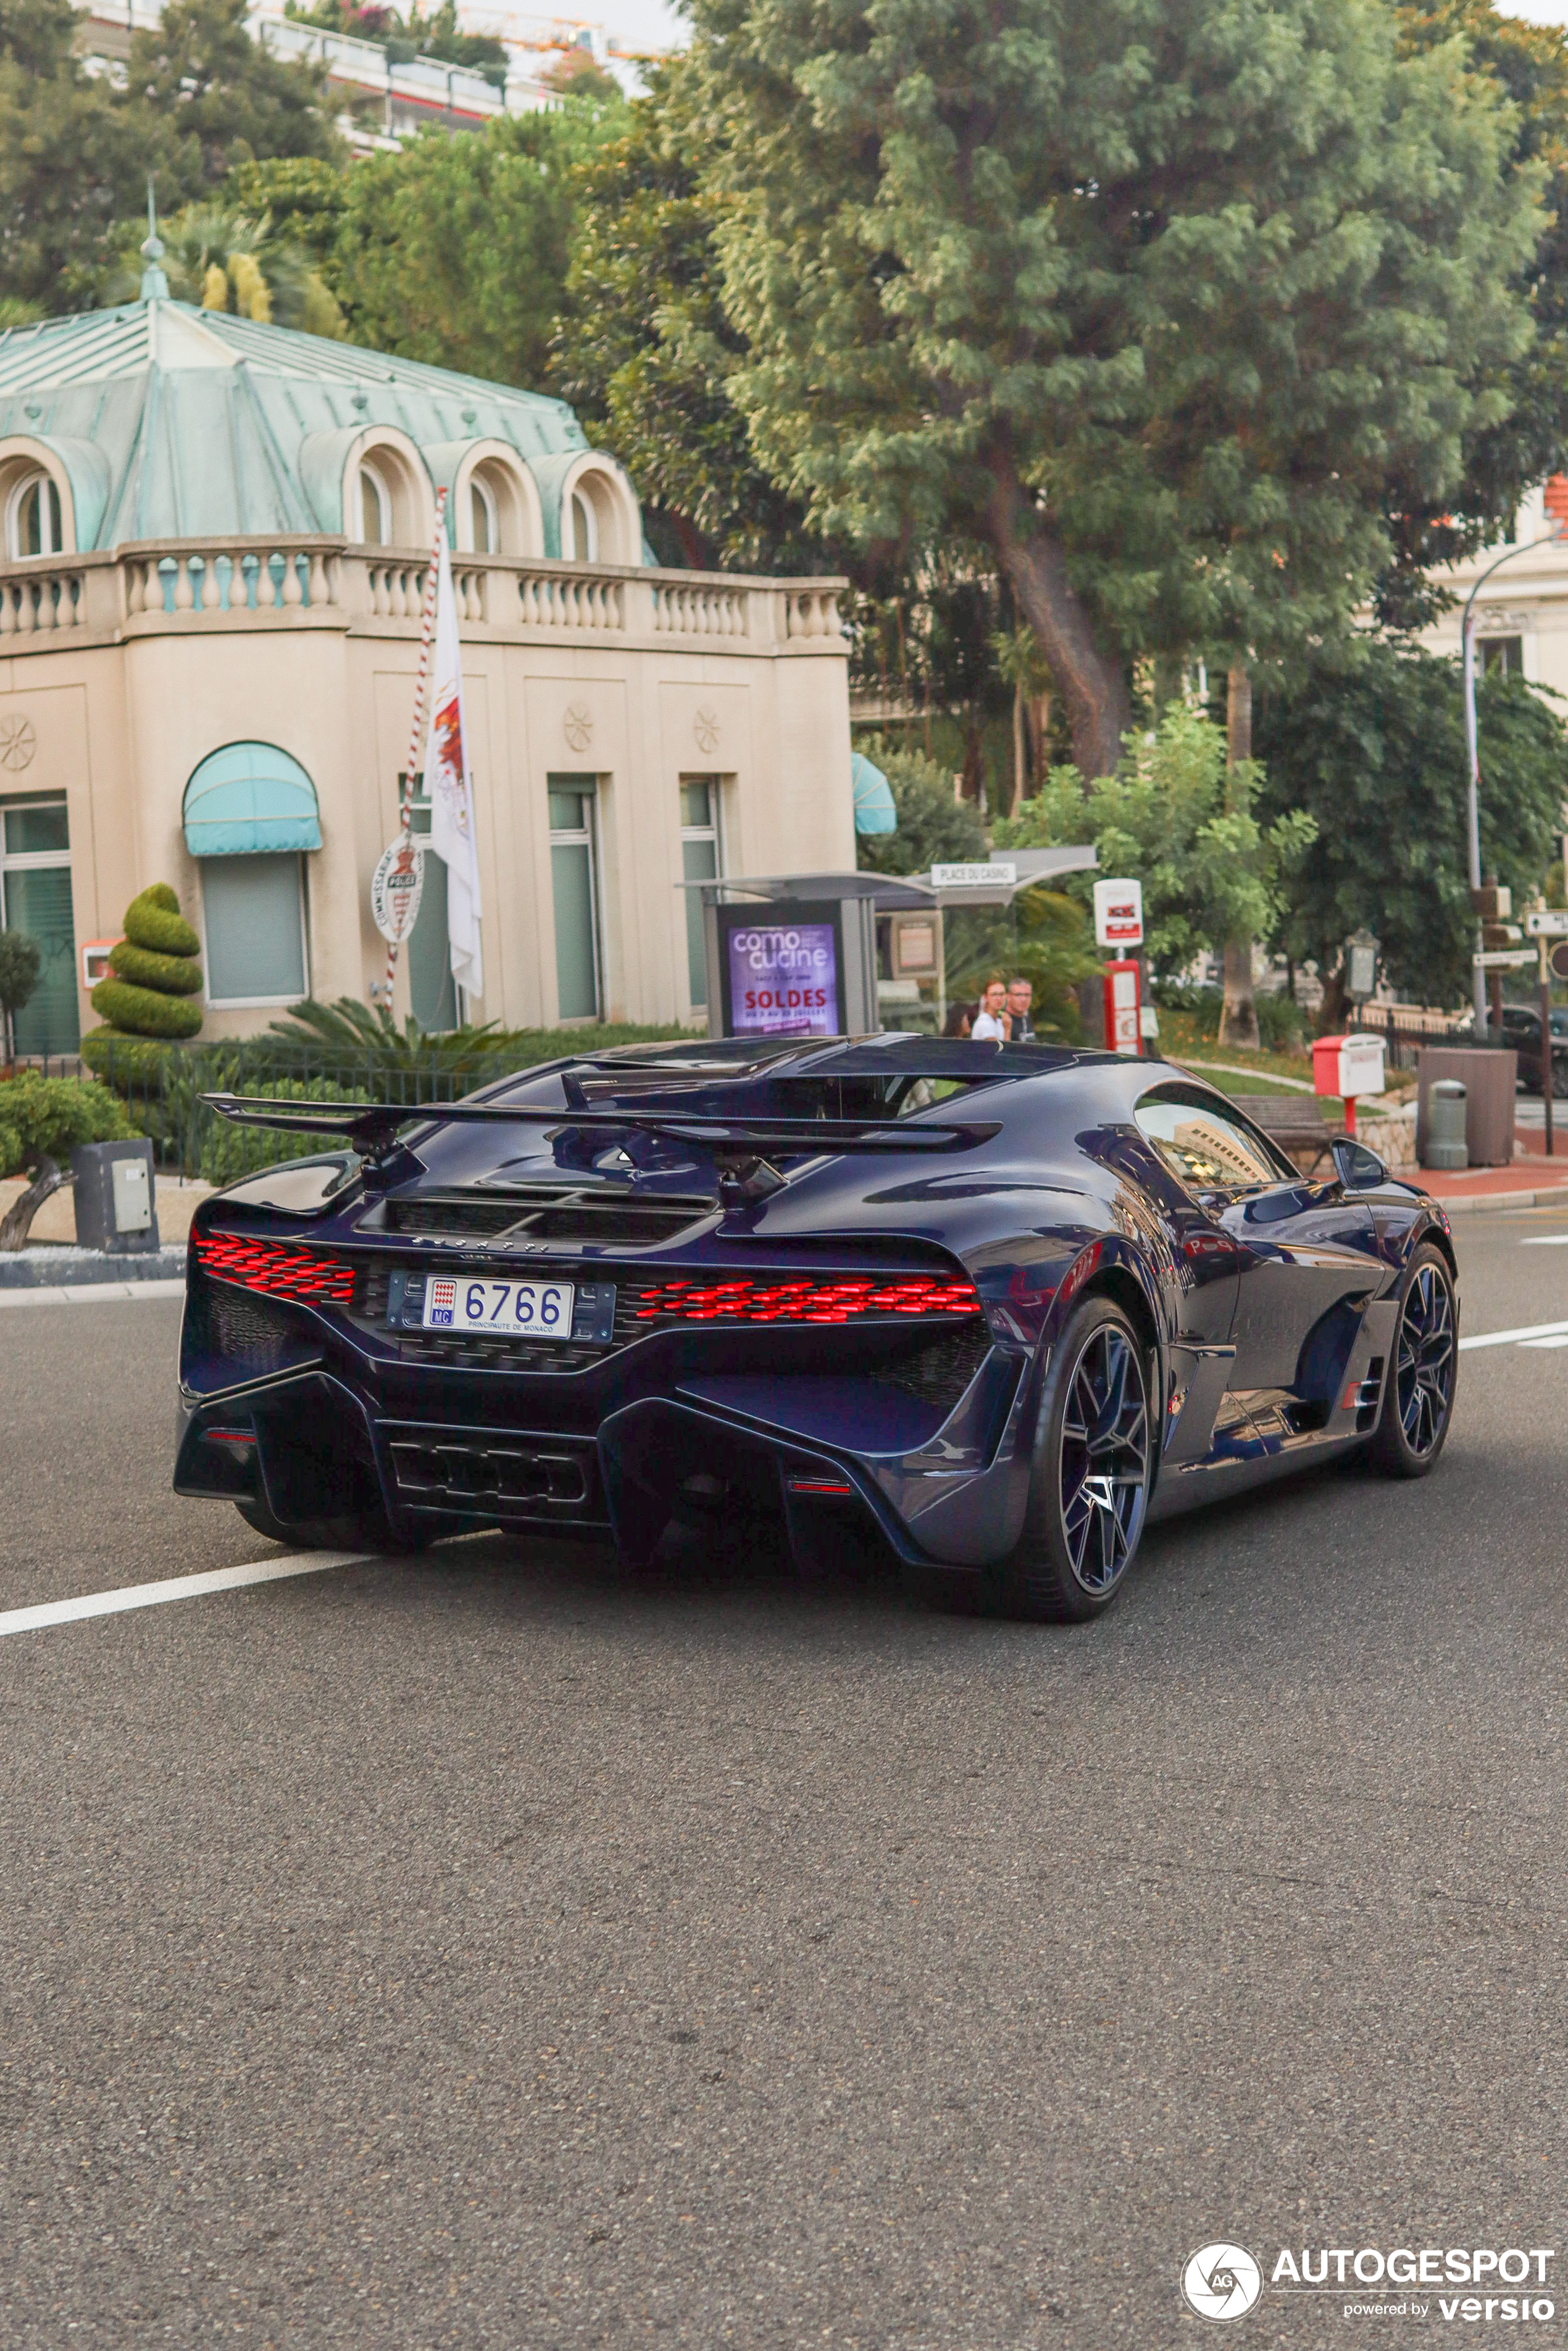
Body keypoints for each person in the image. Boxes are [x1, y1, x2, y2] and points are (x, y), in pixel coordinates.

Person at [970, 975, 1011, 1042]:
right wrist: (1007, 1029)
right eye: (994, 995)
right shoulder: (984, 1022)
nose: (999, 999)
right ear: (986, 997)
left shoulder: (999, 1021)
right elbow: (999, 1051)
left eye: (1002, 994)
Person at [1006, 976, 1036, 1042]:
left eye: (1027, 995)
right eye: (1018, 995)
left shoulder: (1026, 1019)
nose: (1023, 999)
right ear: (1008, 997)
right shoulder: (1003, 1021)